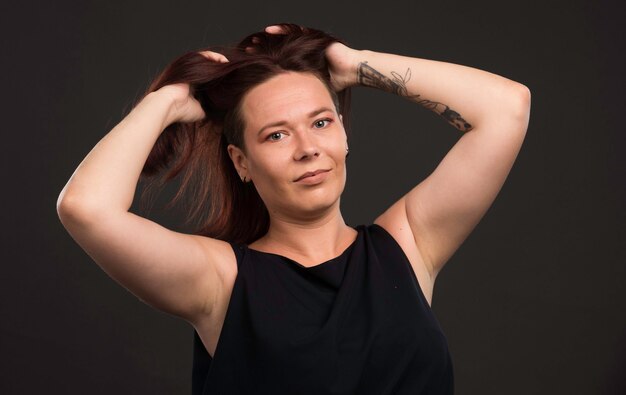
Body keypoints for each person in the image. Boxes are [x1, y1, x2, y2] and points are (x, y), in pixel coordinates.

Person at [57, 23, 530, 394]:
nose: (307, 149)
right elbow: (86, 208)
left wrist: (353, 65)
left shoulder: (408, 244)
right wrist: (168, 102)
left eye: (321, 122)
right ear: (241, 162)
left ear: (344, 133)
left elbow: (508, 106)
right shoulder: (220, 281)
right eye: (276, 134)